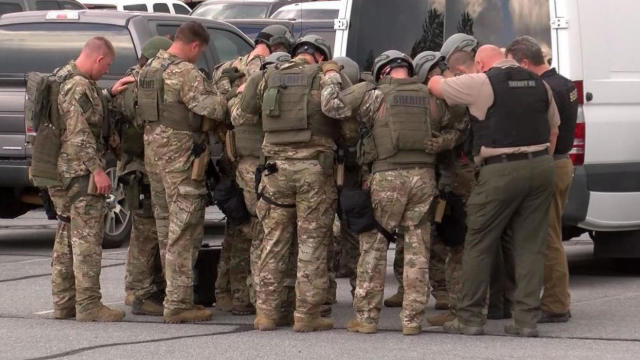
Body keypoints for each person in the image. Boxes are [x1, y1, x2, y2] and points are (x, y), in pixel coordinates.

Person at [429, 44, 559, 337]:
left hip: (500, 169)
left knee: (479, 241)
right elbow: (554, 130)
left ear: (480, 63)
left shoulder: (483, 81)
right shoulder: (540, 84)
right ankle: (525, 320)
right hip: (541, 167)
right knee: (530, 245)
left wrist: (443, 73)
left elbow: (437, 86)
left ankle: (470, 317)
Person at [322, 50, 437, 335]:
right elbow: (453, 125)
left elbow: (331, 106)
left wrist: (332, 75)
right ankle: (412, 320)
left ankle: (367, 317)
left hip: (387, 176)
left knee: (374, 246)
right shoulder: (430, 95)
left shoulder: (373, 94)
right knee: (417, 249)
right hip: (424, 177)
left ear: (383, 72)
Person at [235, 34, 345, 332]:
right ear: (321, 57)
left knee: (273, 241)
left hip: (274, 171)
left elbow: (241, 114)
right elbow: (338, 111)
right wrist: (334, 77)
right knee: (311, 243)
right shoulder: (324, 78)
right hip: (313, 172)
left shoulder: (267, 76)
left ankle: (267, 313)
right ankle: (306, 315)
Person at [138, 21, 226, 323]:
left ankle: (171, 296)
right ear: (194, 46)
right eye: (199, 52)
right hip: (180, 162)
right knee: (184, 231)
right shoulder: (186, 73)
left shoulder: (149, 69)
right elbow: (209, 109)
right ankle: (178, 303)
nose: (198, 57)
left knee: (165, 230)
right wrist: (226, 96)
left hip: (155, 160)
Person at [212, 24, 294, 316]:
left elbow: (219, 108)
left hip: (233, 156)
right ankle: (255, 296)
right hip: (259, 158)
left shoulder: (226, 68)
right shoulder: (272, 69)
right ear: (278, 46)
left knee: (237, 228)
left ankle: (229, 294)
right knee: (261, 229)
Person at [50, 36, 133, 322]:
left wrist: (109, 94)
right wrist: (97, 171)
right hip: (79, 172)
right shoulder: (79, 85)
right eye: (106, 65)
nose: (105, 70)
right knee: (86, 239)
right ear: (98, 59)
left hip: (60, 169)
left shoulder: (64, 77)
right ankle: (88, 305)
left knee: (66, 233)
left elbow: (84, 114)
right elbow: (79, 133)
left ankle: (64, 302)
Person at [506, 36, 577, 323]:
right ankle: (554, 300)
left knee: (548, 239)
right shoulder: (565, 83)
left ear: (524, 62)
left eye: (512, 65)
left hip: (550, 163)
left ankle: (556, 305)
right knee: (551, 236)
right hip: (562, 163)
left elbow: (549, 132)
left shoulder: (544, 88)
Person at [111, 36, 173, 316]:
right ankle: (142, 291)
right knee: (147, 231)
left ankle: (137, 288)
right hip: (146, 168)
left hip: (131, 165)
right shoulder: (145, 85)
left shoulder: (126, 84)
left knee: (141, 229)